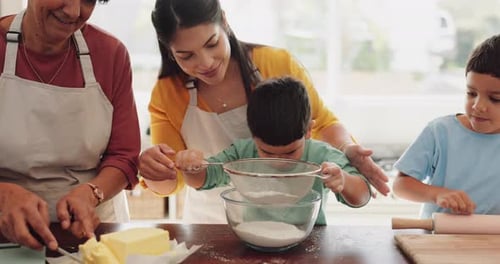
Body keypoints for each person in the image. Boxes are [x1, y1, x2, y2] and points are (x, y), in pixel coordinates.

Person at [138, 0, 388, 223]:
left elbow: (322, 122)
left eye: (212, 44)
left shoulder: (276, 64)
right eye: (186, 55)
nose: (205, 62)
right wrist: (157, 170)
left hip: (294, 225)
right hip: (210, 226)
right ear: (169, 50)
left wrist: (346, 150)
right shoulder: (166, 94)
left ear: (224, 21)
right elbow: (175, 180)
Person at [0, 0, 141, 251]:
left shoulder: (111, 55)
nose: (74, 12)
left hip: (91, 234)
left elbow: (124, 156)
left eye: (88, 0)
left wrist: (92, 193)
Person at [175, 77, 372, 225]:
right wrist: (191, 168)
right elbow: (203, 180)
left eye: (290, 152)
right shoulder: (243, 153)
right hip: (254, 238)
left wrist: (343, 181)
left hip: (309, 244)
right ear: (253, 136)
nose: (279, 161)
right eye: (267, 152)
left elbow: (362, 197)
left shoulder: (322, 156)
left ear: (309, 131)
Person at [392, 34, 500, 219]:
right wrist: (436, 194)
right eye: (471, 93)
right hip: (437, 238)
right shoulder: (441, 132)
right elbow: (400, 185)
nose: (478, 106)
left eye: (495, 98)